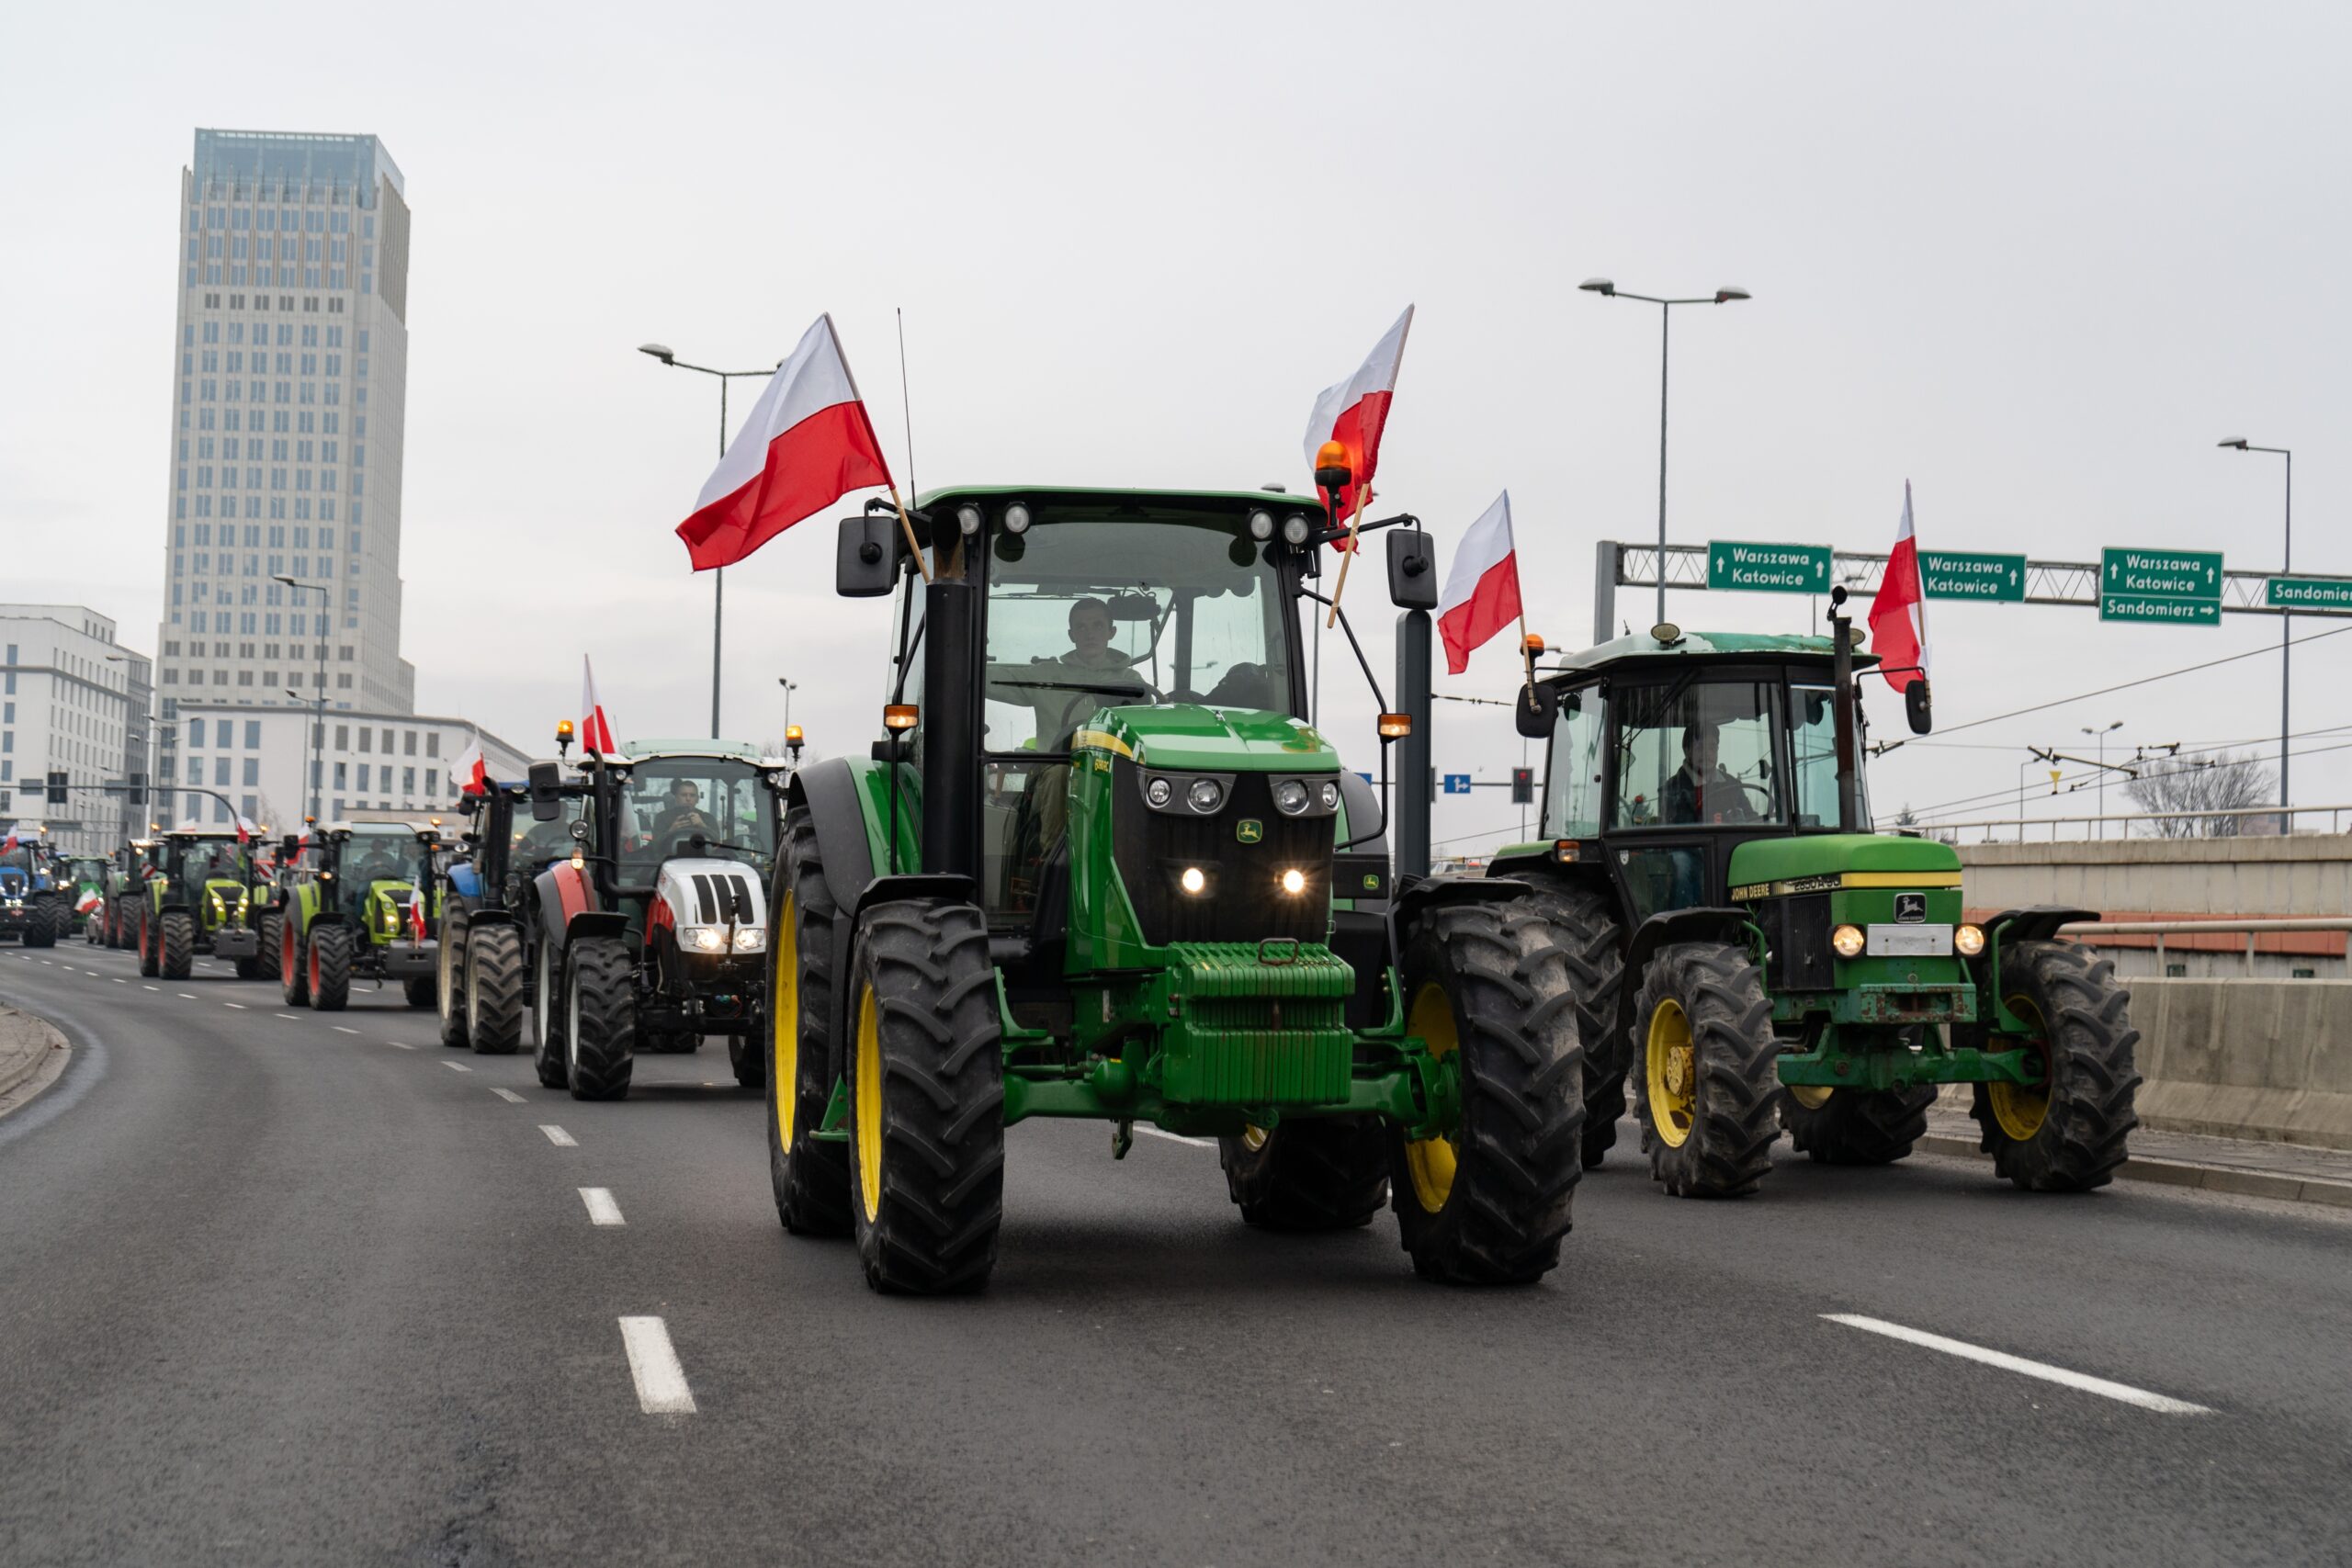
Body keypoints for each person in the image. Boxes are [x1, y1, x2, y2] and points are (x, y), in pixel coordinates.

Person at [1663, 724, 1765, 826]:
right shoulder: (1671, 789)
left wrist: (1743, 822)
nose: (1707, 754)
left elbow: (1752, 820)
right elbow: (1675, 831)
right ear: (1687, 751)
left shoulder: (1733, 785)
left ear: (1717, 749)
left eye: (1712, 748)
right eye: (1699, 747)